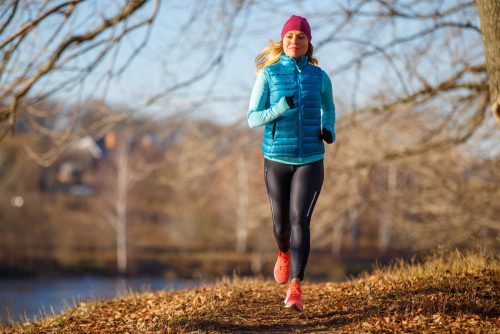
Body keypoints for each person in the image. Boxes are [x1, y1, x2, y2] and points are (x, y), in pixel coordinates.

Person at [247, 15, 336, 311]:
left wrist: (329, 128)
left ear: (308, 43)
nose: (294, 42)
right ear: (282, 41)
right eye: (289, 37)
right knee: (281, 225)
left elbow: (329, 107)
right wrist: (280, 107)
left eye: (300, 37)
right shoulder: (268, 75)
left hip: (311, 158)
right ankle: (283, 252)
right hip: (276, 159)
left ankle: (295, 287)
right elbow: (252, 118)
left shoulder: (319, 76)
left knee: (301, 220)